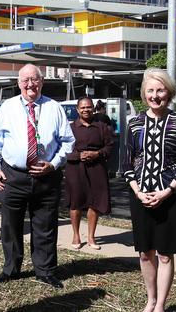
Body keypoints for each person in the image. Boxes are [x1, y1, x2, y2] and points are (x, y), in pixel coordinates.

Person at [0, 64, 75, 289]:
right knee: (10, 226)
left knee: (45, 225)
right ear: (18, 83)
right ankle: (11, 269)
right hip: (13, 176)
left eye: (34, 80)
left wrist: (54, 164)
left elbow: (68, 141)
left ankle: (45, 271)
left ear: (42, 82)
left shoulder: (54, 108)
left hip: (47, 177)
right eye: (25, 80)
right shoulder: (7, 107)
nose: (30, 85)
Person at [122, 68, 176, 312]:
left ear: (169, 93)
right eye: (150, 90)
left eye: (160, 90)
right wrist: (138, 192)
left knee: (165, 254)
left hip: (170, 197)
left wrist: (167, 191)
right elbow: (127, 164)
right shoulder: (134, 124)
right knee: (145, 253)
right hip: (140, 196)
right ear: (144, 95)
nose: (155, 95)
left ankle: (161, 305)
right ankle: (150, 299)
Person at [65, 97, 113, 250]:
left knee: (95, 202)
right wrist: (78, 156)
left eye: (89, 107)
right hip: (75, 168)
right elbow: (63, 150)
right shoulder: (70, 128)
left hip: (97, 167)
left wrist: (97, 154)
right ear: (77, 110)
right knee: (76, 201)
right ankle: (76, 235)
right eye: (83, 107)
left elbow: (109, 147)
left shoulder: (101, 126)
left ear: (93, 108)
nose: (86, 110)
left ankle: (91, 237)